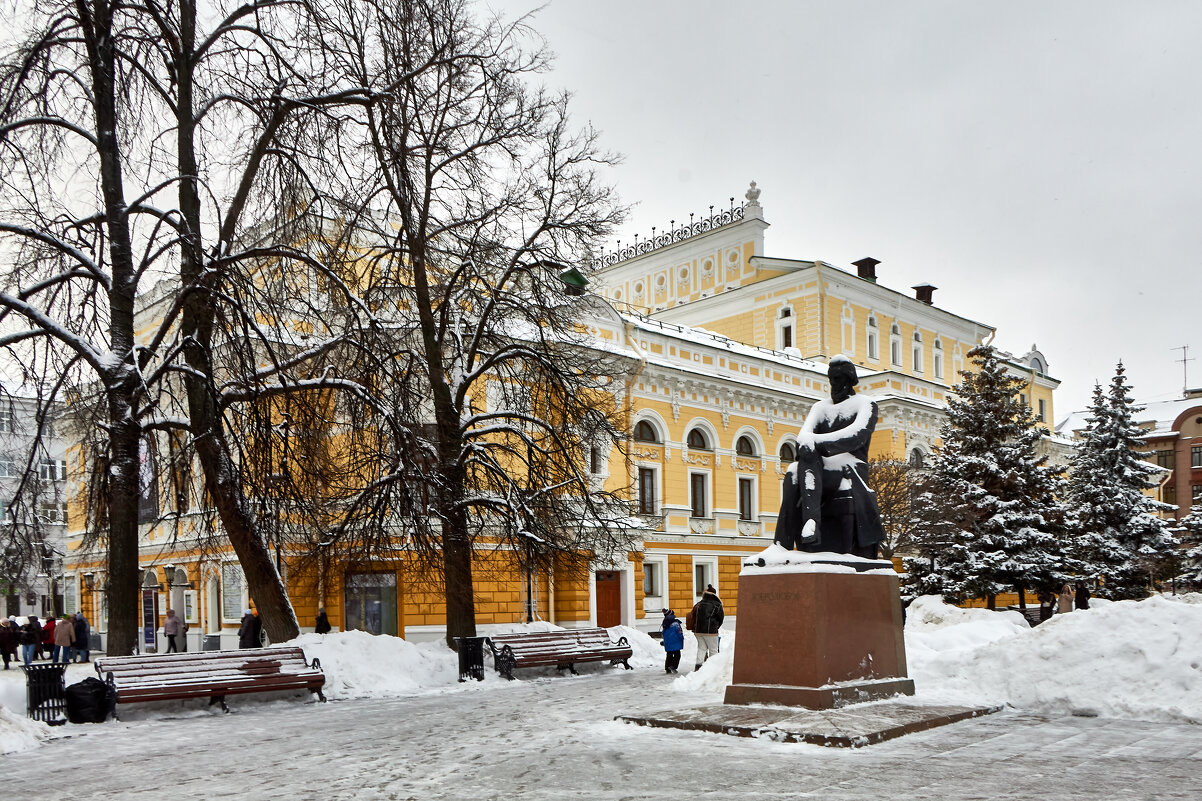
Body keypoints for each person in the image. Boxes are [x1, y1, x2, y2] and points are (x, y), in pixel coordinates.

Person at [775, 356, 885, 557]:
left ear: (850, 380)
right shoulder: (820, 408)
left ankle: (810, 521)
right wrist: (811, 445)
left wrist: (816, 444)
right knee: (792, 472)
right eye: (832, 379)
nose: (834, 384)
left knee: (806, 456)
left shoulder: (866, 404)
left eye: (839, 378)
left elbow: (856, 436)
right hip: (819, 468)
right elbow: (802, 438)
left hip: (850, 467)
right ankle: (783, 544)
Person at [691, 584, 724, 671]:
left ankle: (698, 667)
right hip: (711, 631)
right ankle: (713, 669)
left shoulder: (699, 604)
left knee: (701, 649)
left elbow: (693, 615)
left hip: (698, 631)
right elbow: (721, 618)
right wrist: (716, 627)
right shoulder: (717, 604)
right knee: (713, 650)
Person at [660, 609, 683, 674]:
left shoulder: (665, 623)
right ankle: (673, 666)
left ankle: (667, 668)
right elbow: (679, 632)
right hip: (676, 642)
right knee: (677, 655)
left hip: (668, 642)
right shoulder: (675, 623)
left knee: (669, 654)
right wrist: (682, 638)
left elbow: (663, 633)